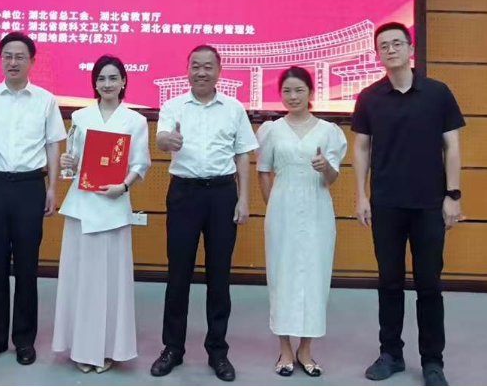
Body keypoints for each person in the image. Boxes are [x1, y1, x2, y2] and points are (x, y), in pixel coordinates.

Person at [353, 23, 466, 387]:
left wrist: (453, 195)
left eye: (397, 43)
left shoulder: (437, 93)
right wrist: (360, 194)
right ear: (377, 54)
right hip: (386, 204)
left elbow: (452, 145)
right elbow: (361, 148)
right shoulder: (369, 97)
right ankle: (391, 354)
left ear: (410, 49)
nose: (390, 49)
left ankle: (433, 361)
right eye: (383, 46)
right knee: (389, 282)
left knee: (429, 284)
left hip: (429, 204)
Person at [151, 45, 259, 382]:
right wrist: (167, 141)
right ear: (187, 70)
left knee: (219, 275)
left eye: (208, 66)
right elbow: (161, 139)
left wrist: (244, 199)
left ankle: (218, 351)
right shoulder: (173, 105)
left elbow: (243, 155)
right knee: (178, 274)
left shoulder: (234, 108)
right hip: (184, 194)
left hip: (222, 195)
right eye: (195, 66)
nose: (201, 72)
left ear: (219, 71)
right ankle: (172, 348)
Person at [0, 32, 66, 366]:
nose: (13, 62)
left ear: (32, 61)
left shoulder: (45, 100)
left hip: (30, 187)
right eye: (7, 55)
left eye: (20, 56)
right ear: (0, 60)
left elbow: (53, 145)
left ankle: (23, 340)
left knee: (26, 266)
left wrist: (52, 188)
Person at [52, 55, 151, 374]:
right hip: (81, 208)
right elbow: (72, 161)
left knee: (110, 282)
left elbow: (141, 163)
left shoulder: (134, 120)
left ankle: (107, 349)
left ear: (123, 81)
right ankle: (81, 348)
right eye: (101, 78)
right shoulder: (80, 117)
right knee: (81, 280)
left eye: (113, 78)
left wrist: (123, 186)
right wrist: (68, 163)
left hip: (113, 206)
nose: (107, 84)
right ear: (94, 83)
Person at [256, 66, 347, 378]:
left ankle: (306, 349)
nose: (293, 96)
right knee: (281, 275)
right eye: (287, 91)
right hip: (281, 211)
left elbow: (332, 177)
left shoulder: (328, 131)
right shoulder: (271, 130)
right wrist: (274, 205)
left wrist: (325, 167)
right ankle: (284, 348)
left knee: (314, 276)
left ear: (310, 92)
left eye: (299, 90)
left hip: (317, 208)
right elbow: (263, 172)